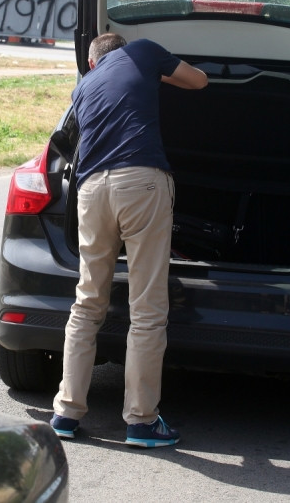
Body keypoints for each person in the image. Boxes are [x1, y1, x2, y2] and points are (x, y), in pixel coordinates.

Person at [50, 33, 208, 448]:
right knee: (147, 307)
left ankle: (66, 412)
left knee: (87, 302)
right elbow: (199, 82)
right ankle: (141, 420)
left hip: (90, 191)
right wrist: (156, 75)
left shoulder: (82, 85)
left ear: (92, 60)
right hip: (140, 181)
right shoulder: (142, 51)